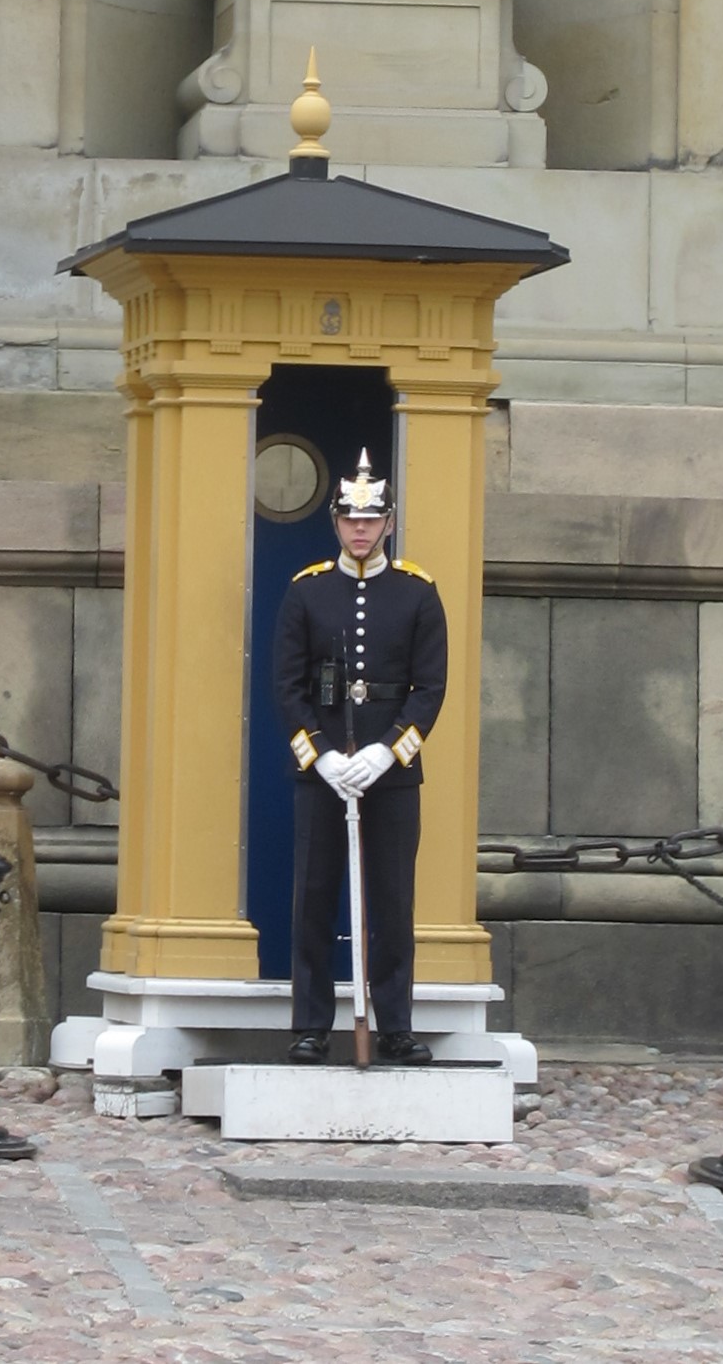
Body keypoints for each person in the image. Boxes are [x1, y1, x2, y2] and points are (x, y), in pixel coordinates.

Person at [273, 449, 447, 1065]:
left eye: (371, 519)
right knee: (315, 895)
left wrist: (388, 751)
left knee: (392, 902)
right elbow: (287, 688)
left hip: (389, 770)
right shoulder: (307, 593)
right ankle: (312, 1022)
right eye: (350, 518)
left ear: (389, 524)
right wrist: (317, 756)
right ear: (337, 523)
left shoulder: (418, 593)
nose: (360, 529)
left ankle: (395, 1023)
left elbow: (430, 688)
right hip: (326, 769)